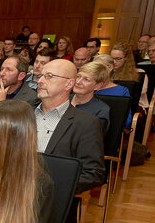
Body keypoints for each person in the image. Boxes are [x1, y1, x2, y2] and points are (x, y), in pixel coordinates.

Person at [36, 59, 104, 193]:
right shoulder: (22, 112)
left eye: (49, 76)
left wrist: (52, 187)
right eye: (40, 76)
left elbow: (93, 173)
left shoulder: (86, 123)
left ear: (69, 84)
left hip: (49, 197)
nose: (40, 81)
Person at [70, 62, 111, 133]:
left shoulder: (100, 110)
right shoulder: (63, 99)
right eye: (78, 76)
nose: (78, 82)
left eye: (86, 79)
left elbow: (93, 139)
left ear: (97, 86)